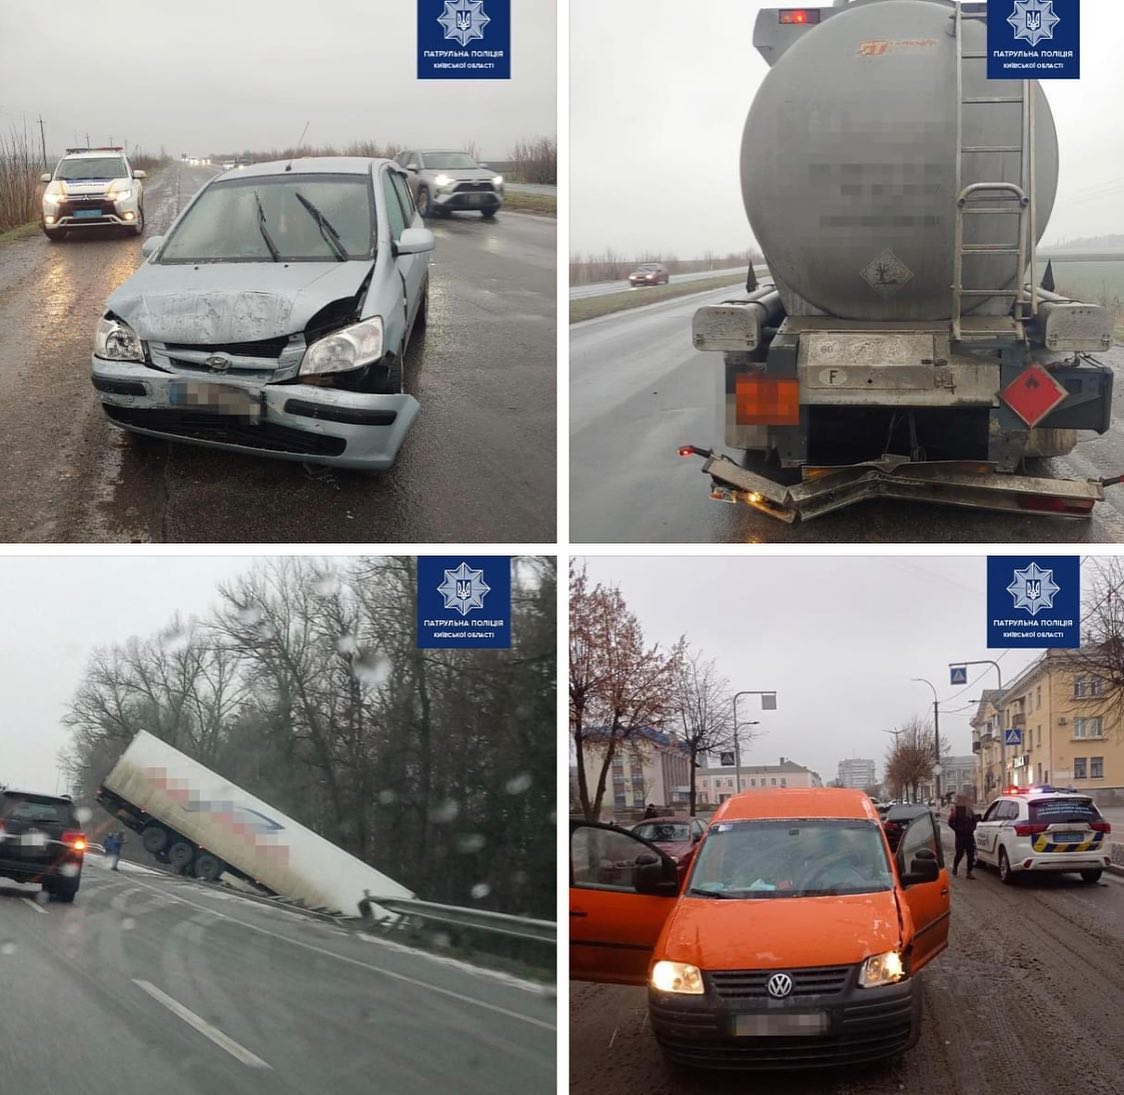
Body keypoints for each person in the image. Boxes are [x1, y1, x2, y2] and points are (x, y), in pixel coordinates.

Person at [947, 795, 977, 878]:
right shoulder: (955, 811)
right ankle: (955, 867)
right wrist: (958, 829)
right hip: (960, 836)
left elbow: (974, 821)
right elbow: (950, 823)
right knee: (959, 853)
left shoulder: (969, 811)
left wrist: (972, 828)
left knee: (971, 854)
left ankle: (969, 872)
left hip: (969, 835)